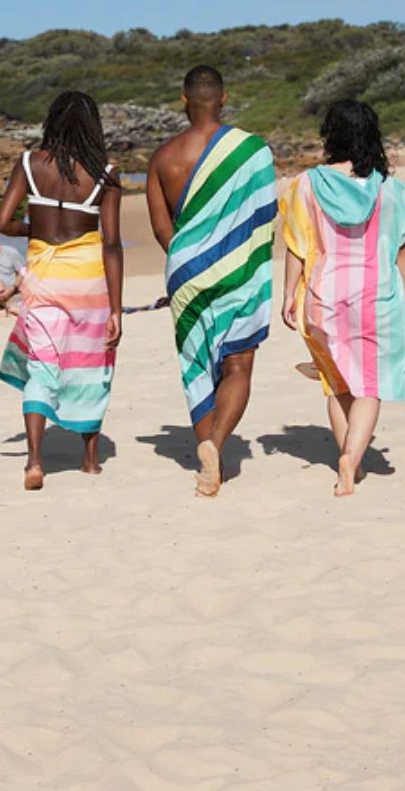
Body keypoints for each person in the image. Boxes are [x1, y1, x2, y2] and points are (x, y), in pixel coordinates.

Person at [146, 66, 278, 497]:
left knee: (197, 366)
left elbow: (162, 229)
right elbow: (265, 215)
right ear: (224, 98)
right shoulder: (253, 151)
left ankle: (211, 462)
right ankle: (215, 446)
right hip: (240, 268)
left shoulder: (163, 158)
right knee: (238, 364)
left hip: (187, 271)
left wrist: (192, 260)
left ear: (183, 101)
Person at [280, 99, 405, 497]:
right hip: (377, 296)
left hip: (323, 294)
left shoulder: (307, 185)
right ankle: (350, 459)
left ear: (331, 136)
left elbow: (297, 245)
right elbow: (399, 248)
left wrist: (288, 294)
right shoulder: (389, 190)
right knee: (370, 385)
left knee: (337, 383)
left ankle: (350, 461)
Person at [0, 91, 123, 490]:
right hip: (88, 280)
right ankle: (90, 460)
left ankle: (35, 461)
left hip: (44, 277)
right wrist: (116, 309)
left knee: (42, 364)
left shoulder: (30, 164)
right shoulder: (106, 173)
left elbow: (2, 222)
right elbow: (112, 243)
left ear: (52, 122)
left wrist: (36, 228)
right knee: (92, 364)